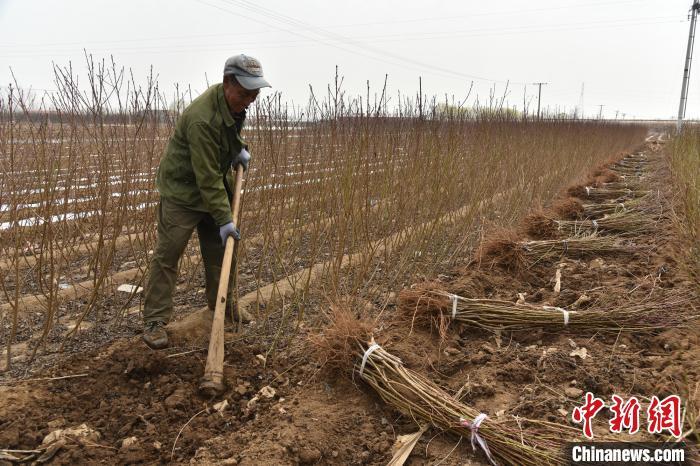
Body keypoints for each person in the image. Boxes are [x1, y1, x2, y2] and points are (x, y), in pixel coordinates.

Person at [141, 54, 270, 349]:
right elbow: (208, 177)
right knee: (168, 254)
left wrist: (239, 148)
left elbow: (228, 137)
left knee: (223, 252)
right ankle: (155, 321)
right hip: (183, 193)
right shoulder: (201, 118)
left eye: (254, 94)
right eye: (245, 93)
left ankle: (225, 305)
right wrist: (224, 218)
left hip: (209, 185)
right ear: (227, 83)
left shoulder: (234, 104)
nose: (250, 99)